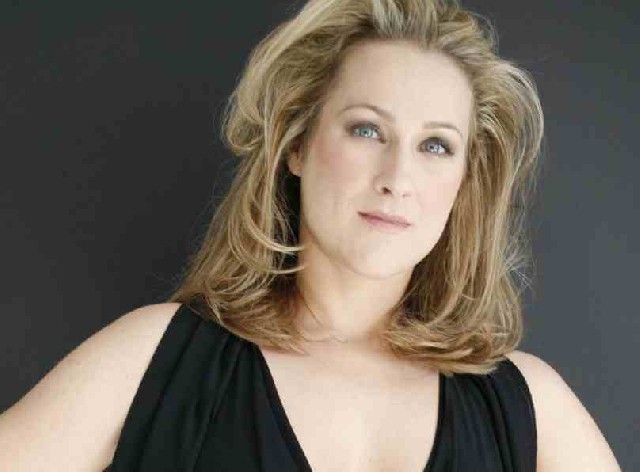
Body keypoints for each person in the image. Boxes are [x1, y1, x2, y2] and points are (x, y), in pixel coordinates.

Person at [0, 0, 622, 470]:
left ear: (463, 182)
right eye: (367, 130)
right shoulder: (157, 360)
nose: (398, 177)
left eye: (436, 145)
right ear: (296, 145)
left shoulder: (526, 408)